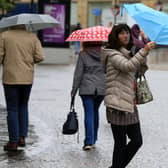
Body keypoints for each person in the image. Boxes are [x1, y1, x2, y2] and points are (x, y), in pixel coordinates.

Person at [101, 24, 155, 168]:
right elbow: (127, 66)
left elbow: (138, 71)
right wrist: (144, 51)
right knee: (120, 144)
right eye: (122, 33)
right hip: (117, 104)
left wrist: (143, 56)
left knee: (137, 141)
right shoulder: (112, 54)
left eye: (127, 33)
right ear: (115, 36)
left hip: (129, 103)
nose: (126, 36)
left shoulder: (127, 53)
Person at [0, 25, 45, 151]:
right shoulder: (32, 37)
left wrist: (6, 61)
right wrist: (29, 62)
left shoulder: (4, 36)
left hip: (10, 78)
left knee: (12, 109)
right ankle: (22, 138)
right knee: (23, 106)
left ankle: (13, 142)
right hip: (27, 78)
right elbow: (40, 57)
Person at [71, 41, 105, 151]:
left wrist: (74, 90)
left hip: (86, 88)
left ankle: (88, 141)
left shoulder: (83, 54)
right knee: (95, 111)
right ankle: (94, 139)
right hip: (101, 88)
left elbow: (78, 74)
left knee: (89, 112)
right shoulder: (105, 54)